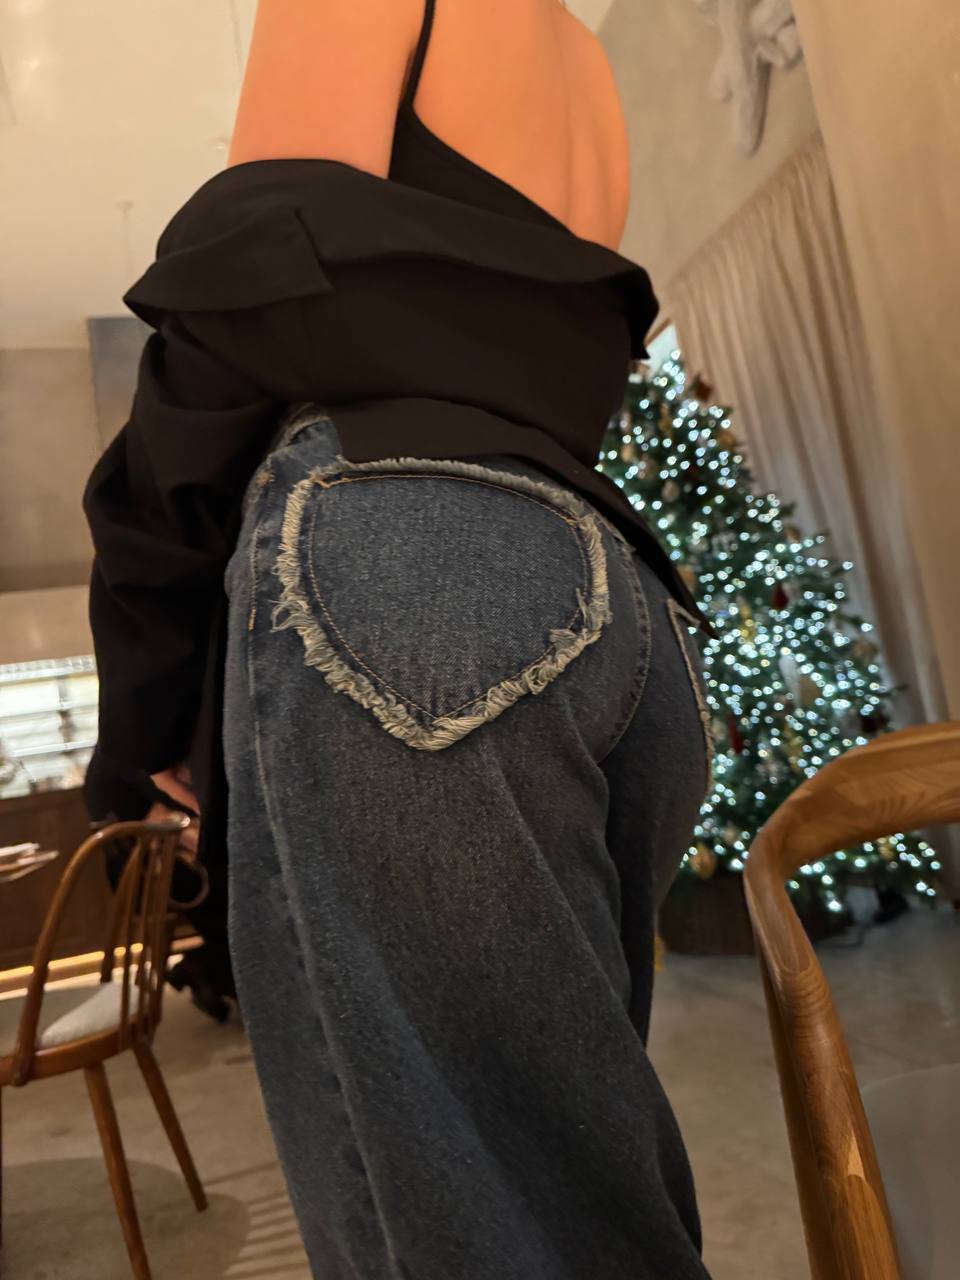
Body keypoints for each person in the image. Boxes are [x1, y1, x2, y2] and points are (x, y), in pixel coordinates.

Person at [82, 2, 717, 1276]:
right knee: (571, 1200)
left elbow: (245, 276)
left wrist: (145, 694)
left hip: (395, 573)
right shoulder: (585, 65)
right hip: (609, 592)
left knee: (466, 1228)